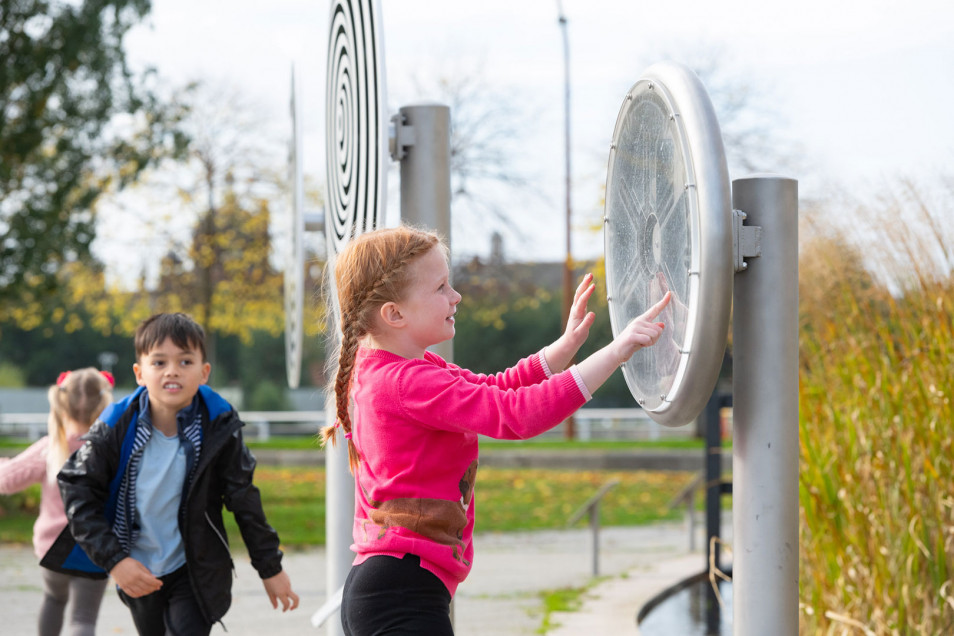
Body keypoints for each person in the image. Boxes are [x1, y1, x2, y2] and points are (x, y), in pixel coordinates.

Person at [320, 225, 672, 635]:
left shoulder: (398, 370)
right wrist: (616, 352)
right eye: (440, 288)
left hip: (392, 588)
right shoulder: (404, 383)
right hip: (400, 593)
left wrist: (564, 348)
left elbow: (494, 389)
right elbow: (516, 415)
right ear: (394, 314)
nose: (456, 296)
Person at [42, 313, 300, 635]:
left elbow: (244, 500)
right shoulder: (115, 427)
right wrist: (116, 562)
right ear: (139, 373)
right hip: (137, 568)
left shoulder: (219, 427)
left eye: (185, 361)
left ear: (204, 372)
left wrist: (270, 569)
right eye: (159, 362)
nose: (172, 371)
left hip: (194, 567)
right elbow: (78, 491)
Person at [0, 367, 114, 636]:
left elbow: (6, 480)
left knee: (53, 600)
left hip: (52, 548)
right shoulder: (113, 450)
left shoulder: (49, 448)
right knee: (83, 618)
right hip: (96, 547)